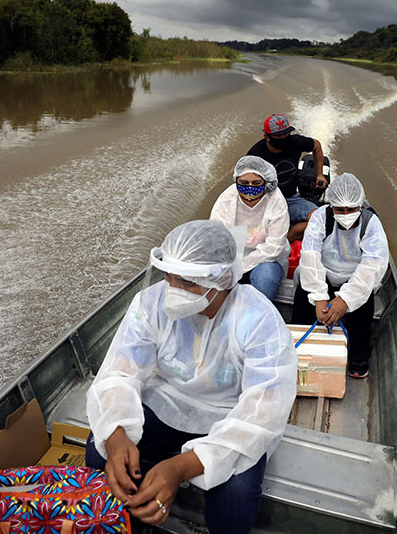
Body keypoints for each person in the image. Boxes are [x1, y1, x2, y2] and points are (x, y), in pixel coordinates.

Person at [85, 220, 298, 534]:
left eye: (187, 282)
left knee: (236, 495)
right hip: (167, 401)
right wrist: (116, 439)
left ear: (222, 278)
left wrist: (179, 468)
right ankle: (127, 521)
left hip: (230, 416)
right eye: (170, 277)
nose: (173, 291)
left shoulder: (258, 320)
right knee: (99, 449)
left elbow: (261, 415)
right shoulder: (151, 304)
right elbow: (119, 374)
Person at [292, 174, 389, 379]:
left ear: (360, 205)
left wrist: (344, 300)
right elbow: (310, 256)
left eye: (352, 209)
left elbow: (372, 266)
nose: (346, 214)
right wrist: (319, 297)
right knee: (303, 297)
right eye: (340, 210)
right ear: (332, 206)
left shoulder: (371, 223)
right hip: (324, 272)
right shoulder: (321, 217)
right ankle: (296, 342)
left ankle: (358, 354)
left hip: (354, 277)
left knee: (365, 301)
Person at [210, 156, 289, 301]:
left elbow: (274, 247)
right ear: (236, 181)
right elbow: (217, 239)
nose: (250, 189)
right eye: (244, 183)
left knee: (266, 278)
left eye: (256, 183)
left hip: (267, 259)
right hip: (232, 257)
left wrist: (241, 267)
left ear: (267, 183)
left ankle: (257, 316)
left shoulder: (276, 201)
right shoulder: (226, 201)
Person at [246, 113, 326, 239]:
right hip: (266, 202)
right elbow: (245, 183)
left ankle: (288, 239)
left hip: (291, 199)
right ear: (267, 136)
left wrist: (320, 174)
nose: (284, 138)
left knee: (319, 218)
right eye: (279, 135)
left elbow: (316, 146)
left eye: (286, 133)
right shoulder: (255, 155)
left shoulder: (295, 142)